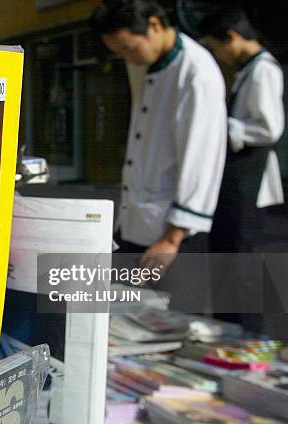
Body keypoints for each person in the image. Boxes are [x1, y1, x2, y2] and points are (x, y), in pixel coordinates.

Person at [91, 0, 227, 285]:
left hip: (172, 235)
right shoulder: (150, 65)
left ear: (154, 25)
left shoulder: (196, 74)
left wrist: (172, 239)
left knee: (166, 319)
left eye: (129, 48)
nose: (128, 58)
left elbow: (200, 161)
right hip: (136, 222)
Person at [200, 7, 285, 332]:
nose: (219, 55)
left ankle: (243, 334)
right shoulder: (251, 70)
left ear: (232, 37)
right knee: (230, 257)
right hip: (239, 180)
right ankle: (230, 327)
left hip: (249, 180)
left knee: (241, 258)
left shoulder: (263, 69)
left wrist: (224, 126)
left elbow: (269, 128)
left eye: (217, 46)